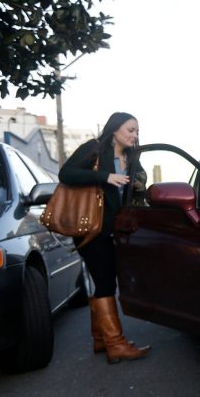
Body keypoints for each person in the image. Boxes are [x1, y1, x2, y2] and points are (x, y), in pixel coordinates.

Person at [59, 112, 150, 364]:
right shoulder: (94, 148)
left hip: (115, 228)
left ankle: (101, 338)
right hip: (91, 227)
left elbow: (141, 177)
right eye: (130, 130)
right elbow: (66, 174)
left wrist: (140, 183)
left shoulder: (132, 156)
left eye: (136, 131)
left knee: (104, 280)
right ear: (115, 130)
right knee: (106, 281)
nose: (134, 135)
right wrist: (105, 177)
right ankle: (116, 343)